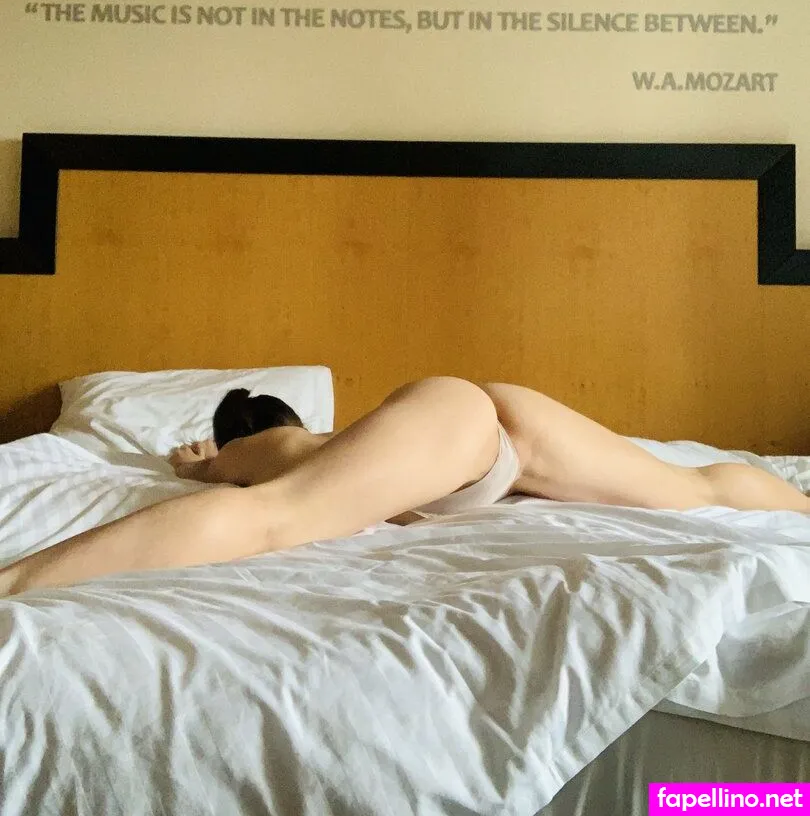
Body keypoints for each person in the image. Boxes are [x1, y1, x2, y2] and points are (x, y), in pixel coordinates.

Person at [2, 378, 807, 597]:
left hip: (470, 426)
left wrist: (193, 463)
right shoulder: (294, 442)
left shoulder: (264, 448)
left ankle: (15, 581)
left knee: (272, 519)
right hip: (487, 440)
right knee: (695, 485)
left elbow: (226, 483)